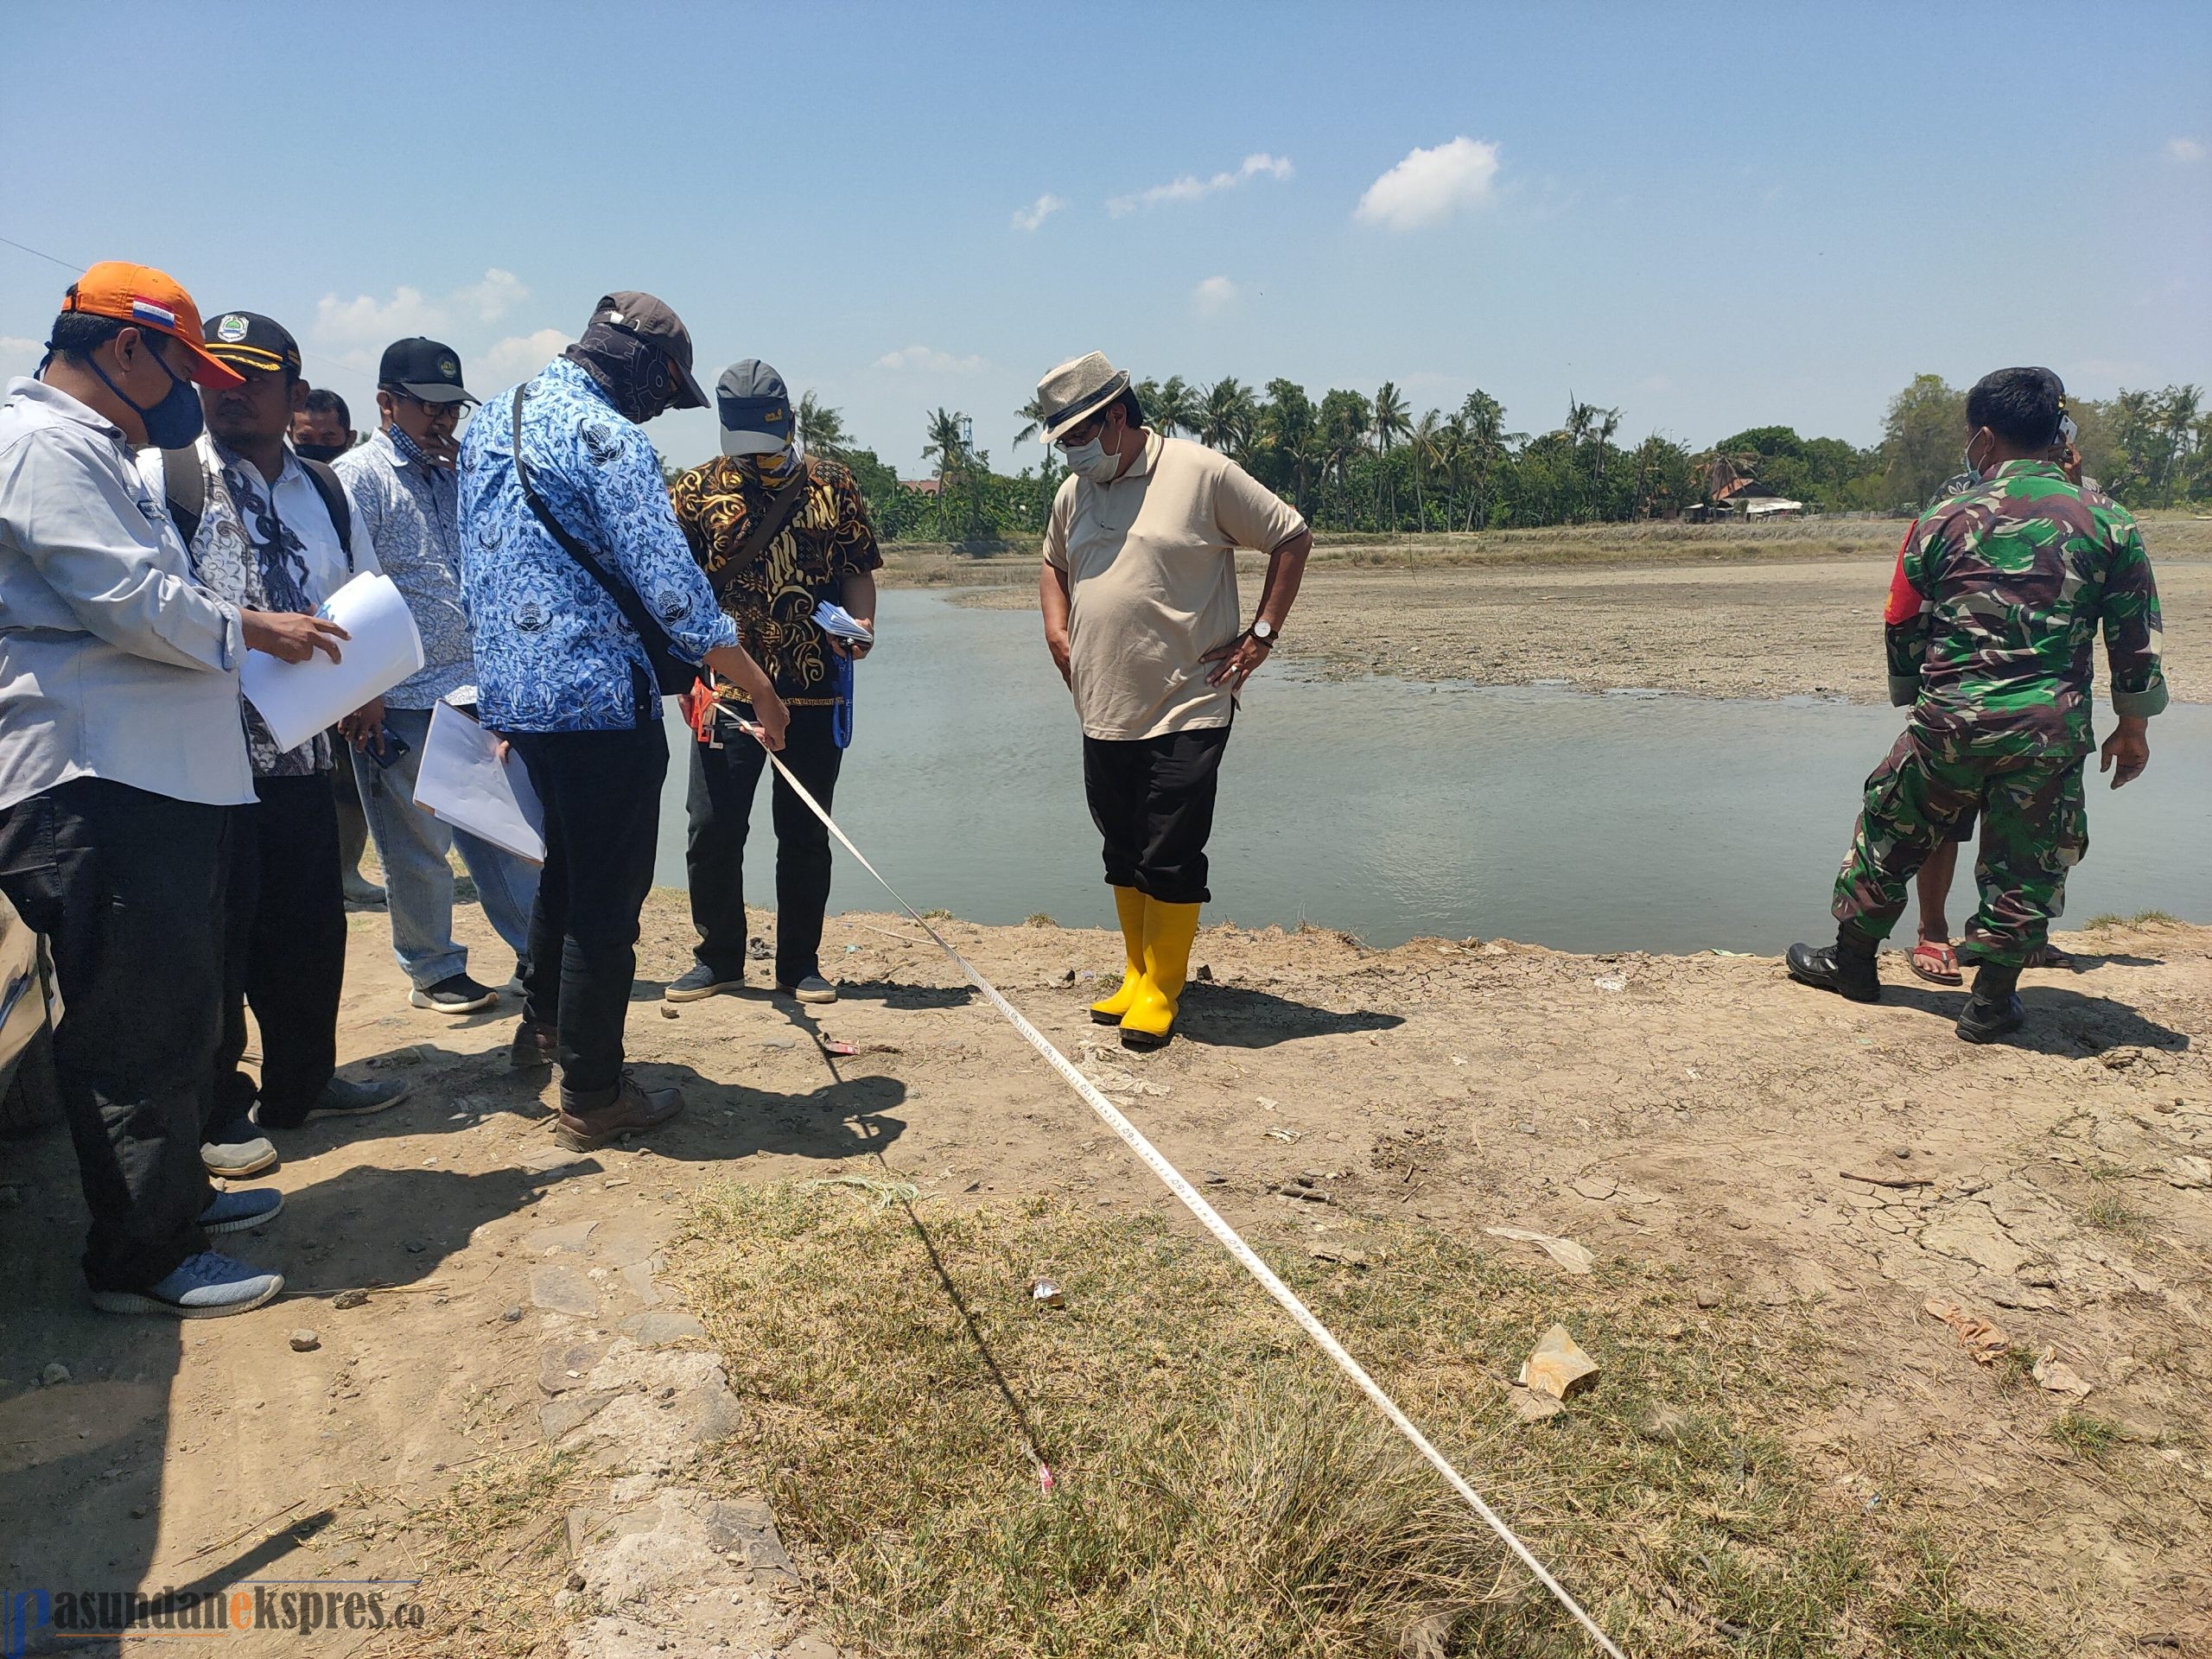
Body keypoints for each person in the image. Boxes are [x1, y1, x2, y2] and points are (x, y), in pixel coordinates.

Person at [0, 263, 340, 1316]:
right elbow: (127, 602)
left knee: (184, 1002)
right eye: (184, 365)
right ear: (126, 346)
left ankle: (175, 1200)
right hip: (97, 777)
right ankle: (140, 1259)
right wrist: (252, 628)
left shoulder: (96, 450)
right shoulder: (39, 445)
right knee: (134, 1021)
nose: (193, 390)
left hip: (154, 778)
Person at [458, 292, 787, 1151]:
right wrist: (755, 683)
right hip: (600, 702)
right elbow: (674, 591)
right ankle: (594, 1094)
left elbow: (476, 571)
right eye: (662, 392)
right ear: (642, 368)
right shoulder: (609, 438)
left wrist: (499, 686)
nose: (658, 411)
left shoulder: (493, 417)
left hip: (520, 699)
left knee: (564, 867)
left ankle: (542, 1028)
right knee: (606, 902)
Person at [1787, 367, 2167, 1043]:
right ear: (2059, 433)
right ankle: (1991, 1002)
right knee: (2026, 861)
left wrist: (1913, 693)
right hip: (2049, 728)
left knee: (1888, 830)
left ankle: (1852, 966)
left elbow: (1904, 617)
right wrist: (2131, 727)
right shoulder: (2108, 519)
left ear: (1984, 439)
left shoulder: (1943, 517)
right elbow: (2133, 634)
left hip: (1950, 722)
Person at [143, 310, 408, 1171]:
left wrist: (366, 689)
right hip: (201, 750)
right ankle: (220, 1109)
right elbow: (149, 601)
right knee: (216, 935)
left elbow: (364, 586)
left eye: (252, 378)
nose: (229, 393)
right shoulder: (167, 473)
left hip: (301, 749)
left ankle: (303, 1082)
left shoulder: (324, 488)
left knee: (307, 924)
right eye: (215, 376)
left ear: (294, 394)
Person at [1034, 352, 1312, 1048]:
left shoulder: (1200, 473)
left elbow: (1291, 535)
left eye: (1075, 436)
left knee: (1170, 850)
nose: (1069, 451)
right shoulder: (1076, 493)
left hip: (1188, 699)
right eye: (1061, 440)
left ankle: (1164, 984)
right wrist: (1055, 627)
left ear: (1116, 419)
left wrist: (1262, 635)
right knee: (1121, 847)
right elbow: (1052, 563)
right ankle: (1135, 971)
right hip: (1103, 703)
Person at [667, 359, 880, 1006]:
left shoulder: (834, 484)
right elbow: (676, 593)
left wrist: (862, 625)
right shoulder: (694, 490)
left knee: (806, 834)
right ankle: (719, 958)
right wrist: (684, 675)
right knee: (712, 830)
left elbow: (858, 570)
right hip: (725, 693)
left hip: (815, 689)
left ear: (787, 422)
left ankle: (799, 965)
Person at [338, 337, 539, 1014]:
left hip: (477, 687)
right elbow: (343, 587)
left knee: (505, 835)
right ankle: (432, 970)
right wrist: (360, 689)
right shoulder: (356, 477)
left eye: (451, 409)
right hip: (400, 693)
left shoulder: (461, 473)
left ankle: (539, 956)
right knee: (417, 845)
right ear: (386, 403)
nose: (441, 421)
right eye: (427, 408)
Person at [1905, 440, 2104, 984]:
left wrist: (2077, 484)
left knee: (2035, 830)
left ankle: (2014, 942)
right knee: (1944, 821)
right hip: (1963, 700)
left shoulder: (2090, 507)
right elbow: (1911, 603)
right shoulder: (1955, 501)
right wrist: (1915, 689)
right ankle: (1933, 932)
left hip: (2040, 707)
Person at [291, 387, 356, 464]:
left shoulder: (364, 474)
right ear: (290, 435)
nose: (317, 446)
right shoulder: (277, 474)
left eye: (327, 439)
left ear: (350, 439)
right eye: (305, 439)